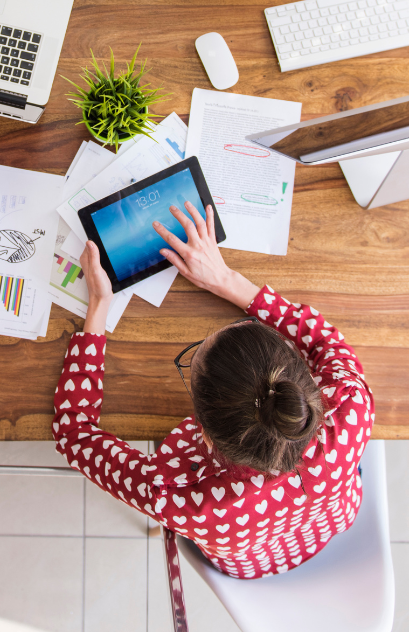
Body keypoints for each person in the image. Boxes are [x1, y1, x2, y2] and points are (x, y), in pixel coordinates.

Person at [53, 202, 373, 579]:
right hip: (329, 524)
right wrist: (227, 280)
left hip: (250, 563)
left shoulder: (179, 498)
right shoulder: (352, 407)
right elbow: (326, 342)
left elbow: (73, 433)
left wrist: (98, 308)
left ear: (200, 431)